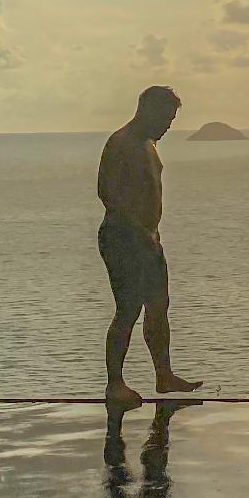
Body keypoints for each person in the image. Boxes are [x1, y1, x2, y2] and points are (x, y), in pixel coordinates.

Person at [97, 85, 202, 408]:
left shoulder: (148, 143)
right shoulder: (122, 143)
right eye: (166, 118)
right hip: (123, 237)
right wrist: (136, 230)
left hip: (148, 237)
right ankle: (115, 384)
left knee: (159, 305)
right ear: (148, 111)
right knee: (128, 309)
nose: (169, 125)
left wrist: (150, 235)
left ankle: (164, 375)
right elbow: (107, 192)